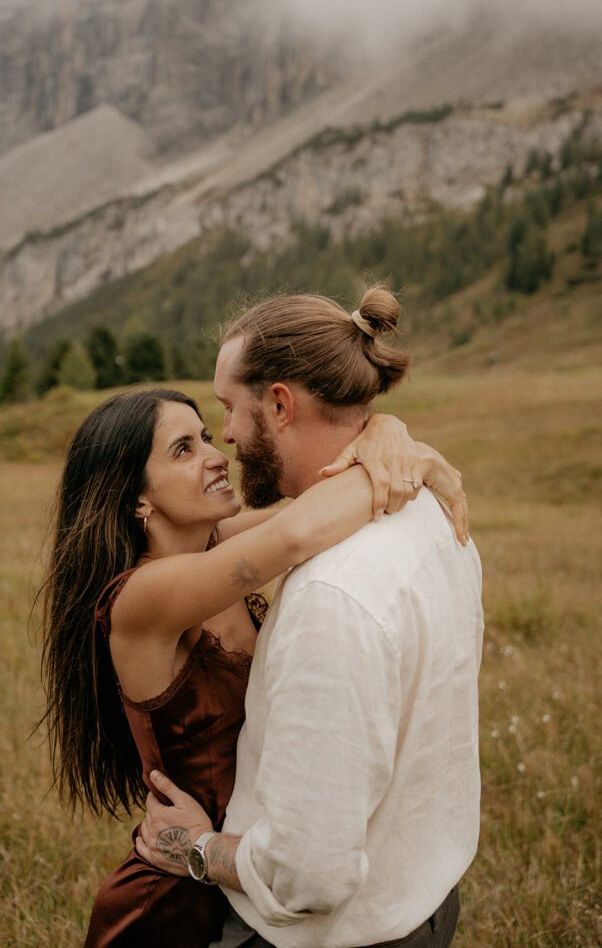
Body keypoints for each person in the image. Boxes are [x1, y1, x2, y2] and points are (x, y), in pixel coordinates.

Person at [136, 284, 483, 948]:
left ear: (280, 404)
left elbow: (307, 876)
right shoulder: (433, 514)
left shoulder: (332, 598)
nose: (226, 438)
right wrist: (388, 433)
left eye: (228, 410)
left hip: (332, 936)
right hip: (426, 902)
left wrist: (199, 848)